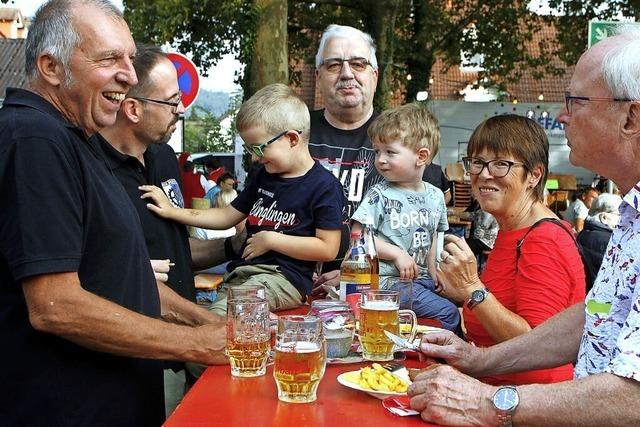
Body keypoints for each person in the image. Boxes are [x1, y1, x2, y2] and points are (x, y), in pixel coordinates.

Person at [0, 1, 228, 426]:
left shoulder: (75, 140)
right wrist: (195, 345)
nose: (128, 73)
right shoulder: (34, 137)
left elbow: (118, 277)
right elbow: (55, 305)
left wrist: (214, 328)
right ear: (51, 66)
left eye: (128, 56)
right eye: (109, 58)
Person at [407, 27, 640, 426]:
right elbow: (596, 314)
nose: (562, 114)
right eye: (477, 164)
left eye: (575, 101)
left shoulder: (544, 236)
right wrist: (477, 360)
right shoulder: (631, 212)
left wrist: (489, 402)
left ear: (631, 117)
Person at [97, 44, 241, 415]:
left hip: (189, 342)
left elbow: (175, 254)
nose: (182, 110)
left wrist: (232, 247)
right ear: (132, 109)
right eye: (172, 100)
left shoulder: (162, 157)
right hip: (138, 359)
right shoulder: (94, 173)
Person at [140, 83, 344, 316]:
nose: (254, 158)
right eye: (249, 149)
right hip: (241, 273)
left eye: (258, 148)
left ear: (291, 139)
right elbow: (226, 216)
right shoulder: (264, 177)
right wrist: (173, 211)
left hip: (282, 278)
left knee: (217, 317)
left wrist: (271, 240)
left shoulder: (324, 186)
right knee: (198, 316)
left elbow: (327, 248)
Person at [434, 115, 586, 386]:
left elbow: (536, 347)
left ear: (534, 175)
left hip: (521, 406)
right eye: (477, 163)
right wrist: (460, 291)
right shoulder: (513, 230)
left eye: (501, 164)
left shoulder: (545, 240)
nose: (483, 174)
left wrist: (471, 288)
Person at [350, 104, 460, 332]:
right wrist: (396, 253)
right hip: (387, 283)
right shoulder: (378, 194)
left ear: (421, 156)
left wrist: (434, 270)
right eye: (377, 151)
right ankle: (456, 359)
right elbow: (358, 238)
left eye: (390, 152)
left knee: (458, 303)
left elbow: (431, 239)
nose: (380, 159)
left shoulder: (436, 196)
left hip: (420, 280)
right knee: (447, 312)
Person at [309, 24, 384, 293]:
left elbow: (419, 235)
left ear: (374, 75)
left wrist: (356, 273)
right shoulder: (293, 134)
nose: (346, 74)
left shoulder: (403, 138)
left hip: (375, 290)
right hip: (298, 285)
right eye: (334, 65)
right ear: (319, 76)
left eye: (358, 64)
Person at [577, 193, 622, 290]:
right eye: (620, 214)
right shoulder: (609, 241)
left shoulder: (584, 234)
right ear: (604, 218)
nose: (624, 219)